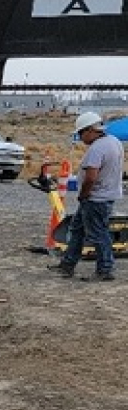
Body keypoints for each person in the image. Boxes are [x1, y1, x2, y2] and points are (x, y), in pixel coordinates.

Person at [52, 112, 123, 282]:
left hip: (95, 198)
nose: (81, 137)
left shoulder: (97, 148)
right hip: (103, 195)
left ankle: (105, 269)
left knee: (98, 234)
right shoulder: (114, 142)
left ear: (91, 130)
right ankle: (67, 264)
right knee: (77, 230)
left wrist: (84, 194)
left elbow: (91, 177)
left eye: (81, 133)